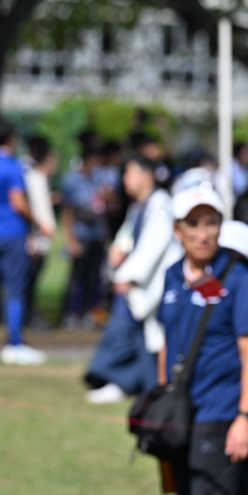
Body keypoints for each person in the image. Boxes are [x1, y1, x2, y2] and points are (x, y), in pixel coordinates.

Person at [156, 185, 248, 495]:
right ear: (178, 230)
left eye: (211, 223)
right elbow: (167, 342)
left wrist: (245, 417)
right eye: (193, 224)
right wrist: (164, 401)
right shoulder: (173, 276)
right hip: (184, 415)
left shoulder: (238, 279)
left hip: (222, 414)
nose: (203, 233)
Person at [84, 156, 181, 403]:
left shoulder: (161, 204)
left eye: (130, 173)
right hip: (138, 284)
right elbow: (127, 237)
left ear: (147, 176)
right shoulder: (139, 205)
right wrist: (118, 252)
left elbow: (153, 246)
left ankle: (118, 379)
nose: (125, 179)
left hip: (152, 283)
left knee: (138, 333)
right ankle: (125, 381)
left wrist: (128, 275)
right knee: (141, 337)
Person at [0, 118, 49, 365]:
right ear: (10, 138)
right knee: (15, 288)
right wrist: (36, 220)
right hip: (13, 232)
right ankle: (14, 342)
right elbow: (17, 200)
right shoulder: (13, 166)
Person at [61, 144, 107, 329]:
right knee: (77, 277)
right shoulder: (72, 180)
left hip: (97, 236)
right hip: (81, 235)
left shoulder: (98, 179)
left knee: (94, 277)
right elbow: (68, 212)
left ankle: (90, 312)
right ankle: (71, 313)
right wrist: (71, 240)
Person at [21, 135, 58, 328]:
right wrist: (36, 233)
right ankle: (27, 317)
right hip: (36, 236)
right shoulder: (31, 176)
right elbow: (31, 208)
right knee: (28, 280)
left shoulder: (39, 177)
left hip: (41, 235)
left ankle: (28, 315)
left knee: (33, 279)